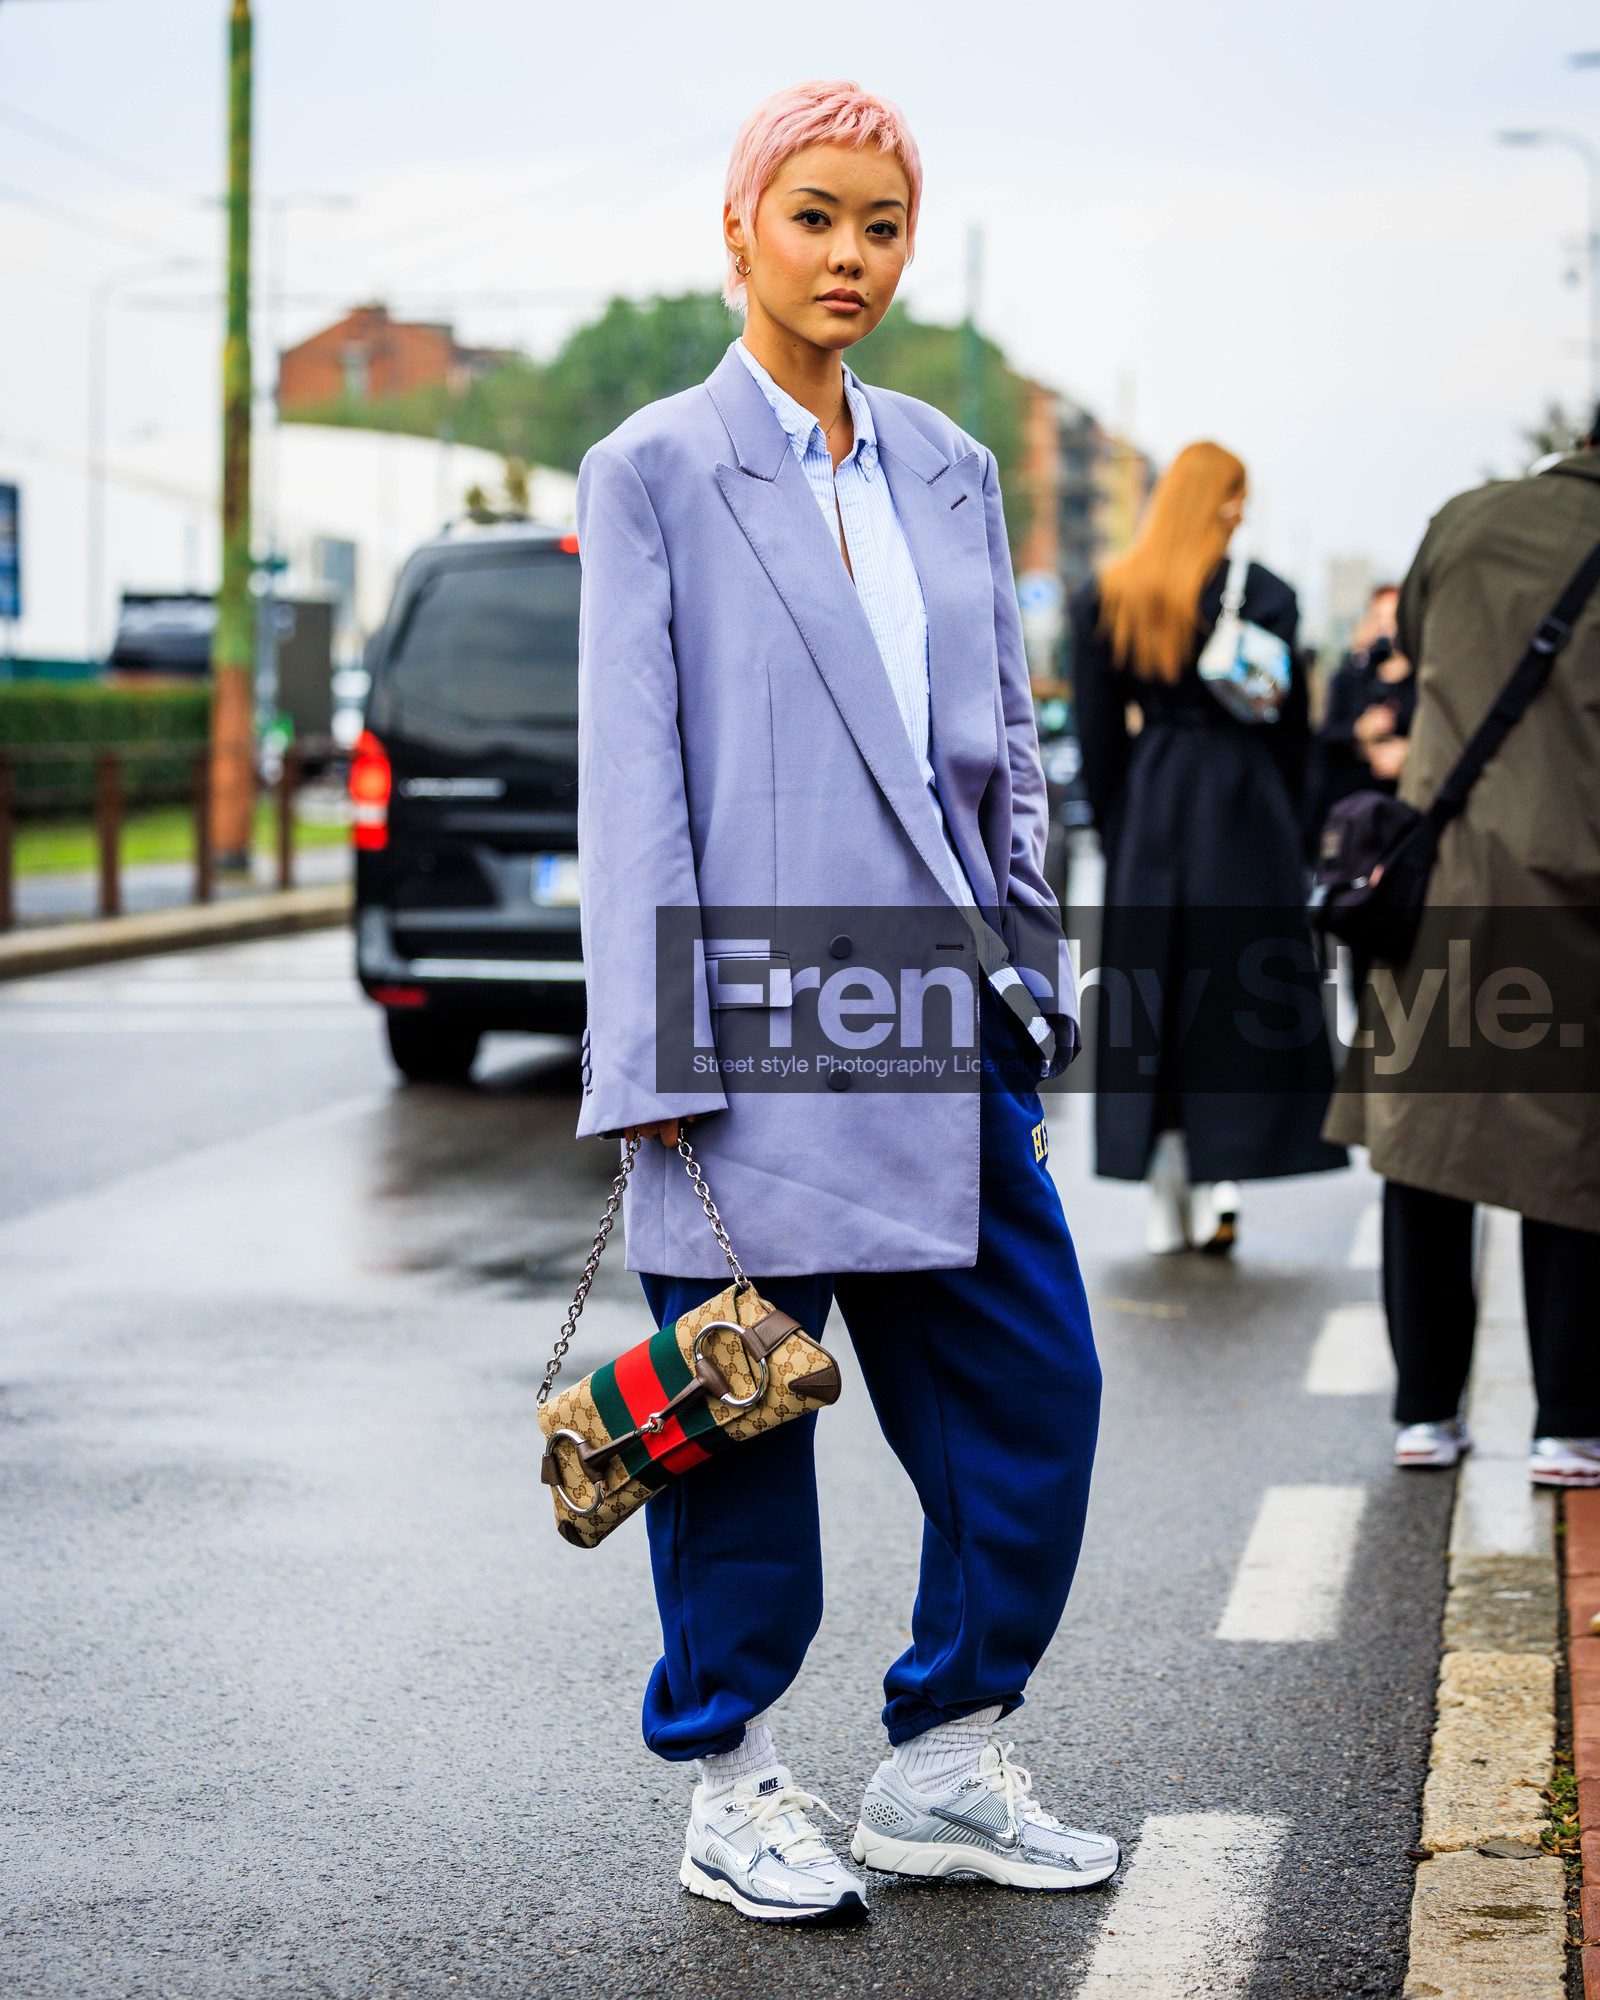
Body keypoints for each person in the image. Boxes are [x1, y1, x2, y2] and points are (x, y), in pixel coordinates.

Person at [574, 79, 1116, 1923]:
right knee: (737, 1420)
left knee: (1031, 1391)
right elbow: (634, 776)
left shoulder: (947, 465)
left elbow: (1008, 756)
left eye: (882, 225)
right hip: (745, 1021)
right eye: (814, 216)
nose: (851, 256)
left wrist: (1029, 986)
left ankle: (946, 1758)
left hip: (940, 1021)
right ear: (740, 227)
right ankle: (729, 1779)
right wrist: (654, 1052)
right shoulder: (655, 467)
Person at [1324, 426, 1600, 1486]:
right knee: (1570, 1155)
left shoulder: (1467, 519)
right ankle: (1568, 1424)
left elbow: (1420, 638)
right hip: (1570, 887)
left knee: (1426, 1147)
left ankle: (1425, 1413)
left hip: (1435, 880)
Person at [1071, 444, 1346, 1256]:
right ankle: (1227, 1175)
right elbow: (1292, 729)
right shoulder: (1268, 594)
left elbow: (1095, 733)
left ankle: (1162, 1190)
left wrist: (1121, 829)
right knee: (1238, 998)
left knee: (1151, 1003)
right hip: (1244, 812)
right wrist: (1295, 830)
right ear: (1223, 502)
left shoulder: (1111, 595)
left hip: (1152, 806)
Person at [1304, 583, 1416, 851]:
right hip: (1355, 816)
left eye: (1394, 618)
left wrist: (1409, 754)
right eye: (1380, 618)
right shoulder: (1351, 678)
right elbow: (1324, 738)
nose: (1387, 629)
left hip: (1405, 813)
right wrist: (1359, 731)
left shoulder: (1424, 684)